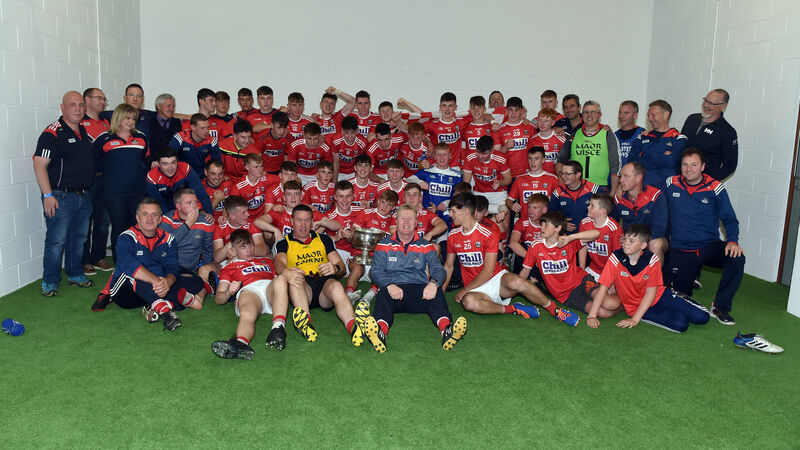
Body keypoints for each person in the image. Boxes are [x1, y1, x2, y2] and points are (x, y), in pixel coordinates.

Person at [444, 193, 580, 325]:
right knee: (469, 303)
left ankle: (555, 311)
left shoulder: (488, 233)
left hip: (496, 279)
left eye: (453, 211)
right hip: (476, 287)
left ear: (466, 212)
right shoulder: (453, 235)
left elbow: (488, 271)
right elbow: (449, 266)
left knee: (518, 281)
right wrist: (442, 292)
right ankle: (514, 309)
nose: (450, 215)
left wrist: (465, 290)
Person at [363, 204, 468, 353]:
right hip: (394, 291)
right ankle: (380, 333)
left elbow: (438, 269)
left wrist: (433, 283)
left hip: (420, 292)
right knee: (383, 294)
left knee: (437, 292)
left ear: (416, 222)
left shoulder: (426, 245)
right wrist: (389, 285)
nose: (406, 222)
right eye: (402, 218)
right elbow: (375, 271)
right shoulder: (383, 244)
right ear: (396, 222)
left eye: (410, 219)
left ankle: (447, 331)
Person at [665, 148, 744, 325]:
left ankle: (720, 307)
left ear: (702, 167)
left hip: (709, 246)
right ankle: (687, 278)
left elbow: (730, 219)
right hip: (682, 249)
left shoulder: (715, 188)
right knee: (683, 303)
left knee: (737, 258)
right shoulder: (671, 183)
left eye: (694, 165)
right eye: (685, 164)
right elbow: (654, 201)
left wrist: (732, 241)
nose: (689, 169)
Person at [274, 205, 369, 346]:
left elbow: (341, 268)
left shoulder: (324, 239)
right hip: (303, 287)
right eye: (299, 220)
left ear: (312, 222)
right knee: (295, 279)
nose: (303, 225)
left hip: (324, 286)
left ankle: (354, 327)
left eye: (307, 221)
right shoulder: (283, 243)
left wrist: (334, 268)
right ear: (292, 222)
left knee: (337, 286)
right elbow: (279, 265)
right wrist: (288, 272)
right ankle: (305, 324)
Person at [587, 224, 709, 332]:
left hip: (659, 296)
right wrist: (592, 315)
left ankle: (678, 296)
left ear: (643, 245)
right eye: (625, 239)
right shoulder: (615, 258)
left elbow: (651, 293)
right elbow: (603, 288)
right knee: (681, 324)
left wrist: (635, 320)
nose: (626, 243)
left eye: (631, 241)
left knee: (702, 317)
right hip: (635, 307)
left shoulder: (651, 260)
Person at [106, 198, 204, 331]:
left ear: (160, 219)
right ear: (138, 218)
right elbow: (128, 265)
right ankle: (166, 312)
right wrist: (156, 281)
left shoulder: (168, 239)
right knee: (133, 274)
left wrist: (168, 281)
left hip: (155, 290)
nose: (150, 218)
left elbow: (173, 266)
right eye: (145, 214)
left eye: (154, 214)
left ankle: (155, 305)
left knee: (196, 281)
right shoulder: (127, 237)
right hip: (126, 293)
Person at [33, 90, 96, 296]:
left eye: (81, 105)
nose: (78, 109)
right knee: (56, 241)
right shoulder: (52, 133)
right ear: (63, 108)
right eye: (72, 105)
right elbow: (39, 165)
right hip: (59, 197)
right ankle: (50, 281)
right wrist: (48, 196)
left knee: (79, 239)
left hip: (83, 196)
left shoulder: (83, 131)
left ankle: (75, 274)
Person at [520, 211, 621, 319]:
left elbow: (596, 233)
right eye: (542, 224)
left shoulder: (568, 242)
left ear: (558, 228)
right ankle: (623, 306)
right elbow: (525, 271)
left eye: (546, 224)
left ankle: (626, 301)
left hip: (581, 281)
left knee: (610, 304)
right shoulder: (535, 246)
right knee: (603, 313)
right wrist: (516, 285)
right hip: (566, 296)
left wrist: (570, 237)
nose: (542, 227)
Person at [211, 230, 289, 359]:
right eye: (243, 247)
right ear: (234, 250)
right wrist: (229, 292)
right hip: (250, 291)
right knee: (247, 310)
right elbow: (218, 299)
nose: (249, 250)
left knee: (281, 279)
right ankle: (240, 343)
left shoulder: (267, 260)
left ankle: (278, 328)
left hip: (269, 288)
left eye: (250, 245)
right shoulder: (229, 268)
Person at [93, 103, 149, 263]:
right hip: (115, 194)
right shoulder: (104, 139)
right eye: (127, 118)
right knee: (119, 228)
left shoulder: (141, 138)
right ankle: (121, 265)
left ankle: (137, 263)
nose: (131, 122)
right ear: (119, 117)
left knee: (137, 228)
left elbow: (146, 160)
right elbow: (93, 162)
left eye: (133, 119)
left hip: (137, 192)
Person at [159, 188, 218, 298]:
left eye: (195, 202)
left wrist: (207, 274)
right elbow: (166, 245)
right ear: (178, 206)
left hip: (187, 271)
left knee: (188, 284)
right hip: (165, 267)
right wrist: (187, 224)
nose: (194, 206)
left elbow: (207, 250)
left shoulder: (206, 221)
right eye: (189, 203)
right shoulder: (166, 219)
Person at [343, 189, 399, 304]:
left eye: (389, 205)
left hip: (377, 260)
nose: (385, 207)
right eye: (383, 202)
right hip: (359, 255)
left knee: (383, 272)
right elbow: (353, 233)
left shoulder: (392, 221)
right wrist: (349, 234)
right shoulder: (366, 213)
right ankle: (349, 296)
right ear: (378, 201)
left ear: (393, 207)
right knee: (357, 269)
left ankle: (368, 297)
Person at [80, 88, 112, 276]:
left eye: (104, 98)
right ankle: (84, 261)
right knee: (85, 221)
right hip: (88, 180)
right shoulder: (79, 123)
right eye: (99, 98)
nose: (102, 101)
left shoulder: (108, 122)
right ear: (87, 99)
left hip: (106, 179)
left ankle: (98, 257)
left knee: (103, 221)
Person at [612, 162, 669, 264]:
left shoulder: (656, 196)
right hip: (629, 239)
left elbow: (659, 228)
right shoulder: (618, 198)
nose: (620, 180)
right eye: (621, 176)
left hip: (651, 238)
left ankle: (654, 275)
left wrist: (638, 241)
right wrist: (621, 236)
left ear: (638, 178)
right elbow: (612, 221)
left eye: (626, 176)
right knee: (611, 239)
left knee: (655, 244)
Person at [562, 100, 621, 195]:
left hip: (601, 188)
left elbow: (616, 165)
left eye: (593, 112)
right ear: (582, 115)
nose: (589, 115)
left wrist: (613, 192)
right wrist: (562, 186)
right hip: (576, 188)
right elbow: (561, 160)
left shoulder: (608, 135)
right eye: (586, 112)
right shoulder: (574, 135)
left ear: (600, 115)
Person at [680, 89, 738, 181]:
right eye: (705, 100)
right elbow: (680, 145)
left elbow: (730, 166)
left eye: (711, 103)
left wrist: (708, 182)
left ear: (723, 106)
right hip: (681, 179)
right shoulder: (691, 119)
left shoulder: (727, 131)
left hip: (703, 184)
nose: (706, 105)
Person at [628, 100, 687, 190]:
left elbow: (671, 162)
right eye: (648, 115)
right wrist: (662, 156)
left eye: (653, 115)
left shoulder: (679, 139)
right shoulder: (642, 137)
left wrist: (643, 154)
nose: (649, 119)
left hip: (667, 191)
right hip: (642, 190)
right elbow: (631, 162)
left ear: (666, 115)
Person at [145, 146, 213, 213]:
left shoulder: (185, 169)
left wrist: (209, 213)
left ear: (177, 161)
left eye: (173, 163)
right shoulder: (152, 178)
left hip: (185, 205)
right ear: (159, 164)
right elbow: (159, 205)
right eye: (165, 164)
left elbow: (201, 193)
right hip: (165, 206)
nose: (170, 168)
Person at [506, 147, 559, 220]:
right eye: (530, 158)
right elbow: (508, 201)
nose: (532, 162)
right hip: (525, 222)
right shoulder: (520, 179)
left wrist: (552, 199)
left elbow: (560, 201)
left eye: (536, 158)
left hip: (545, 221)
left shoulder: (553, 179)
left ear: (543, 160)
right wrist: (512, 206)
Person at [413, 143, 462, 222]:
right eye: (439, 154)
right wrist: (419, 182)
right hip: (428, 214)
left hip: (448, 215)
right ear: (434, 156)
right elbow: (407, 179)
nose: (441, 157)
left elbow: (460, 197)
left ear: (450, 156)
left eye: (445, 154)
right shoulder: (426, 171)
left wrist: (447, 203)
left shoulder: (457, 175)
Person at [548, 160, 601, 234]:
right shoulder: (558, 193)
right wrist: (562, 224)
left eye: (567, 174)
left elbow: (605, 212)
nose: (563, 177)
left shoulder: (593, 189)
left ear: (578, 175)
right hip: (568, 236)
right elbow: (550, 216)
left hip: (591, 235)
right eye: (562, 173)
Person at [578, 193, 622, 280]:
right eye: (589, 204)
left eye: (592, 206)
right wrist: (582, 270)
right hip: (592, 269)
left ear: (603, 211)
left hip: (611, 271)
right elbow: (582, 247)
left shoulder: (614, 228)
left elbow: (617, 256)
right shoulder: (584, 223)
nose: (588, 207)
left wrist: (609, 277)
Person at [463, 135, 511, 214]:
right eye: (478, 152)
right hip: (478, 192)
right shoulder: (470, 158)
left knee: (505, 212)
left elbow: (508, 178)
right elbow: (466, 181)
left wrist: (500, 183)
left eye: (484, 153)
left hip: (498, 193)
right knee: (471, 212)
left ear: (492, 151)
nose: (480, 156)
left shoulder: (500, 159)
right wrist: (466, 198)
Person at [212, 195, 268, 263]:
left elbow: (263, 250)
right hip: (230, 262)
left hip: (252, 259)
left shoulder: (251, 223)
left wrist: (238, 252)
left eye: (247, 210)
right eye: (243, 212)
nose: (248, 214)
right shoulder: (220, 228)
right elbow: (217, 258)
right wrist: (229, 245)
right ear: (232, 216)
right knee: (206, 268)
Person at [494, 97, 537, 177]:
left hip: (527, 173)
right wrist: (505, 147)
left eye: (516, 110)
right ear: (506, 111)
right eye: (510, 109)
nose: (513, 113)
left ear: (521, 111)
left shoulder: (529, 127)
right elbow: (496, 157)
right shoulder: (499, 130)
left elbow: (536, 151)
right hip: (507, 175)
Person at [168, 113, 220, 177]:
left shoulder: (211, 141)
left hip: (202, 176)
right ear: (193, 127)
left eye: (208, 127)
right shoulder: (180, 138)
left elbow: (217, 163)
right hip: (182, 176)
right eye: (202, 128)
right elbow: (168, 157)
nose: (206, 131)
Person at [508, 193, 548, 274]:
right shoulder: (522, 222)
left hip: (543, 258)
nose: (530, 211)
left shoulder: (550, 223)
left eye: (535, 208)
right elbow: (512, 244)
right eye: (529, 207)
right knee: (523, 246)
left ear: (544, 210)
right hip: (525, 258)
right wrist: (533, 259)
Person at [227, 153, 275, 219]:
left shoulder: (266, 179)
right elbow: (230, 206)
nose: (260, 169)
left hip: (263, 218)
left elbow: (284, 179)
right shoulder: (239, 187)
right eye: (256, 167)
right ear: (247, 167)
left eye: (261, 166)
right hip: (246, 219)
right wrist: (224, 217)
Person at [328, 115, 368, 181]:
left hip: (353, 172)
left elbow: (359, 164)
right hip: (339, 172)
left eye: (353, 132)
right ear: (342, 131)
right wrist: (334, 183)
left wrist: (357, 181)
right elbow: (336, 162)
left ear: (357, 131)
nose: (350, 136)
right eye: (347, 133)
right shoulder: (335, 140)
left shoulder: (363, 143)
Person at [615, 100, 645, 166]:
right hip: (617, 172)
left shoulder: (643, 134)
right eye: (620, 113)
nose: (622, 116)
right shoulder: (614, 136)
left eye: (626, 113)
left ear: (635, 115)